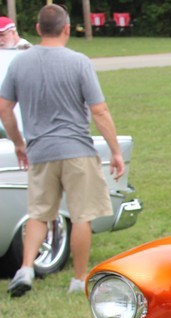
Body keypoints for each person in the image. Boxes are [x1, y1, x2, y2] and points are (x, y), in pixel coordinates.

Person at [0, 4, 124, 298]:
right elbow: (100, 110)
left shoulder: (19, 63)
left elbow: (5, 108)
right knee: (82, 215)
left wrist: (19, 142)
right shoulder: (79, 62)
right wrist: (116, 150)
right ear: (67, 28)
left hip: (40, 151)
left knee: (39, 214)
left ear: (39, 29)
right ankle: (79, 280)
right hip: (77, 150)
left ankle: (27, 268)